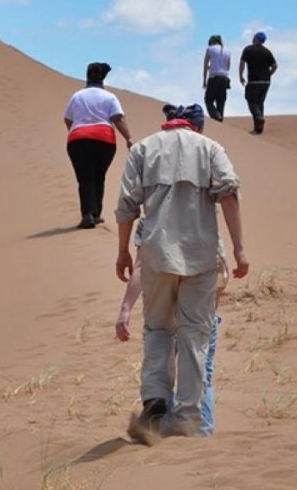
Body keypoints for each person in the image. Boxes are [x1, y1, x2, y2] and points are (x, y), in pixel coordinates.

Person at [115, 103, 248, 441]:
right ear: (196, 128)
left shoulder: (143, 149)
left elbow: (127, 205)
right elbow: (229, 196)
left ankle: (156, 399)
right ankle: (187, 417)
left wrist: (122, 252)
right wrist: (239, 249)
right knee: (194, 334)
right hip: (201, 254)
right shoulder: (211, 149)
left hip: (157, 255)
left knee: (157, 328)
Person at [116, 216, 229, 436]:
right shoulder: (204, 217)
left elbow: (140, 268)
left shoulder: (149, 221)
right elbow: (221, 273)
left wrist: (126, 308)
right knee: (202, 371)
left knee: (161, 367)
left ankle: (160, 425)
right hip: (200, 314)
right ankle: (199, 430)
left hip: (164, 312)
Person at [64, 63, 133, 229]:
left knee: (85, 177)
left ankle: (87, 214)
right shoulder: (110, 97)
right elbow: (118, 119)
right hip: (105, 140)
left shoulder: (77, 96)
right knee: (99, 175)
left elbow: (67, 118)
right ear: (103, 79)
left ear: (87, 77)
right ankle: (96, 214)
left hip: (78, 139)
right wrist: (128, 137)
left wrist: (75, 130)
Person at [239, 31, 278, 135]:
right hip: (265, 82)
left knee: (251, 101)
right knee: (260, 103)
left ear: (256, 38)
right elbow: (275, 66)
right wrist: (269, 74)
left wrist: (240, 76)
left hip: (253, 81)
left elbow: (242, 63)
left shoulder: (248, 49)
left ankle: (259, 118)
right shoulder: (267, 52)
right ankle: (258, 129)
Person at [202, 34, 231, 121]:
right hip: (225, 78)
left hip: (214, 77)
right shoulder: (227, 50)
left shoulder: (210, 49)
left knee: (208, 100)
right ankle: (220, 119)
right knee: (221, 101)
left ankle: (216, 116)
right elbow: (228, 67)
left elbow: (205, 65)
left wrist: (204, 80)